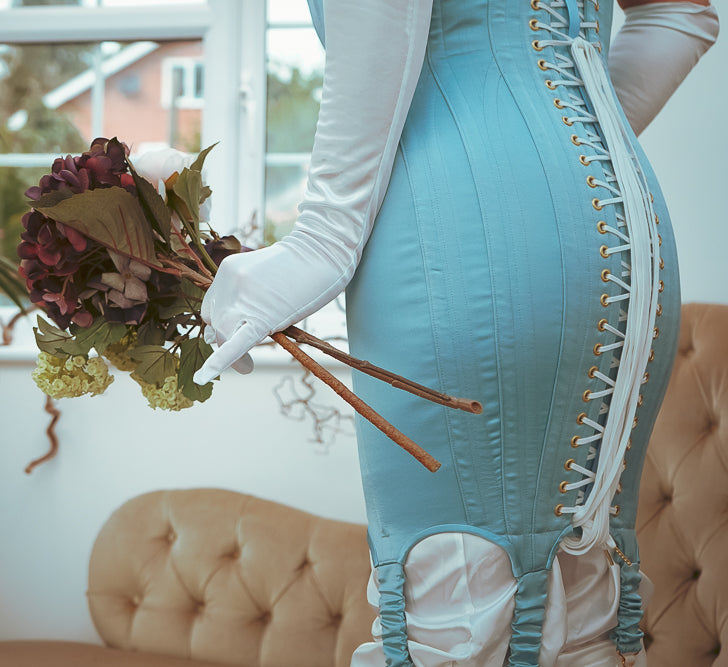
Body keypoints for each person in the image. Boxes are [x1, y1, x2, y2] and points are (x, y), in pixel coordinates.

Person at [194, 0, 719, 665]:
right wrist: (555, 148)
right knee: (582, 613)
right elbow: (683, 13)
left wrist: (322, 240)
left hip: (462, 233)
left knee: (452, 623)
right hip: (622, 229)